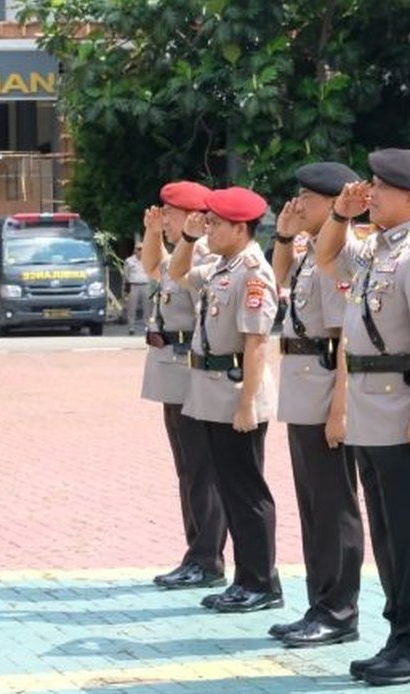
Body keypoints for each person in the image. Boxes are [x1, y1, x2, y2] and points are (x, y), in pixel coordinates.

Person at [314, 148, 410, 686]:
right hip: (374, 408)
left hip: (406, 406)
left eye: (380, 186)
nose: (369, 192)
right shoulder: (377, 246)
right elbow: (327, 258)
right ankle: (399, 636)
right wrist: (340, 215)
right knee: (389, 535)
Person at [170, 186, 284, 614]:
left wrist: (247, 403)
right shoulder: (222, 266)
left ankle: (261, 582)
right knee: (230, 489)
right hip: (212, 390)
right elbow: (180, 273)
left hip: (236, 390)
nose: (208, 229)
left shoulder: (253, 271)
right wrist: (187, 239)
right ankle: (245, 579)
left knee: (246, 491)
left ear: (240, 228)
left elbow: (256, 344)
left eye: (216, 223)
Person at [267, 161, 366, 648]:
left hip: (326, 387)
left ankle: (339, 610)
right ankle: (319, 602)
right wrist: (284, 238)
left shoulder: (338, 257)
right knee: (312, 506)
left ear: (332, 205)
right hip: (304, 387)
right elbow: (278, 282)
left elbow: (348, 336)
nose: (298, 204)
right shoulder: (309, 251)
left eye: (308, 198)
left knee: (334, 507)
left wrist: (341, 409)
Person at [141, 181, 229, 591]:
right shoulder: (180, 253)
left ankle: (207, 558)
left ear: (194, 216)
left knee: (202, 471)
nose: (166, 218)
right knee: (187, 471)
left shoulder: (206, 256)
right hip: (173, 371)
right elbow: (151, 268)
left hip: (193, 372)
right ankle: (196, 553)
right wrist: (154, 233)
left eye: (171, 214)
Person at [124, 245, 152, 335]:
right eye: (138, 249)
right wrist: (127, 284)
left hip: (145, 284)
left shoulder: (148, 259)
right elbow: (126, 274)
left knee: (147, 307)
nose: (140, 251)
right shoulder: (129, 261)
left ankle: (147, 326)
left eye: (142, 249)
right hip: (134, 285)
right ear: (135, 250)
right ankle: (131, 327)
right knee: (131, 308)